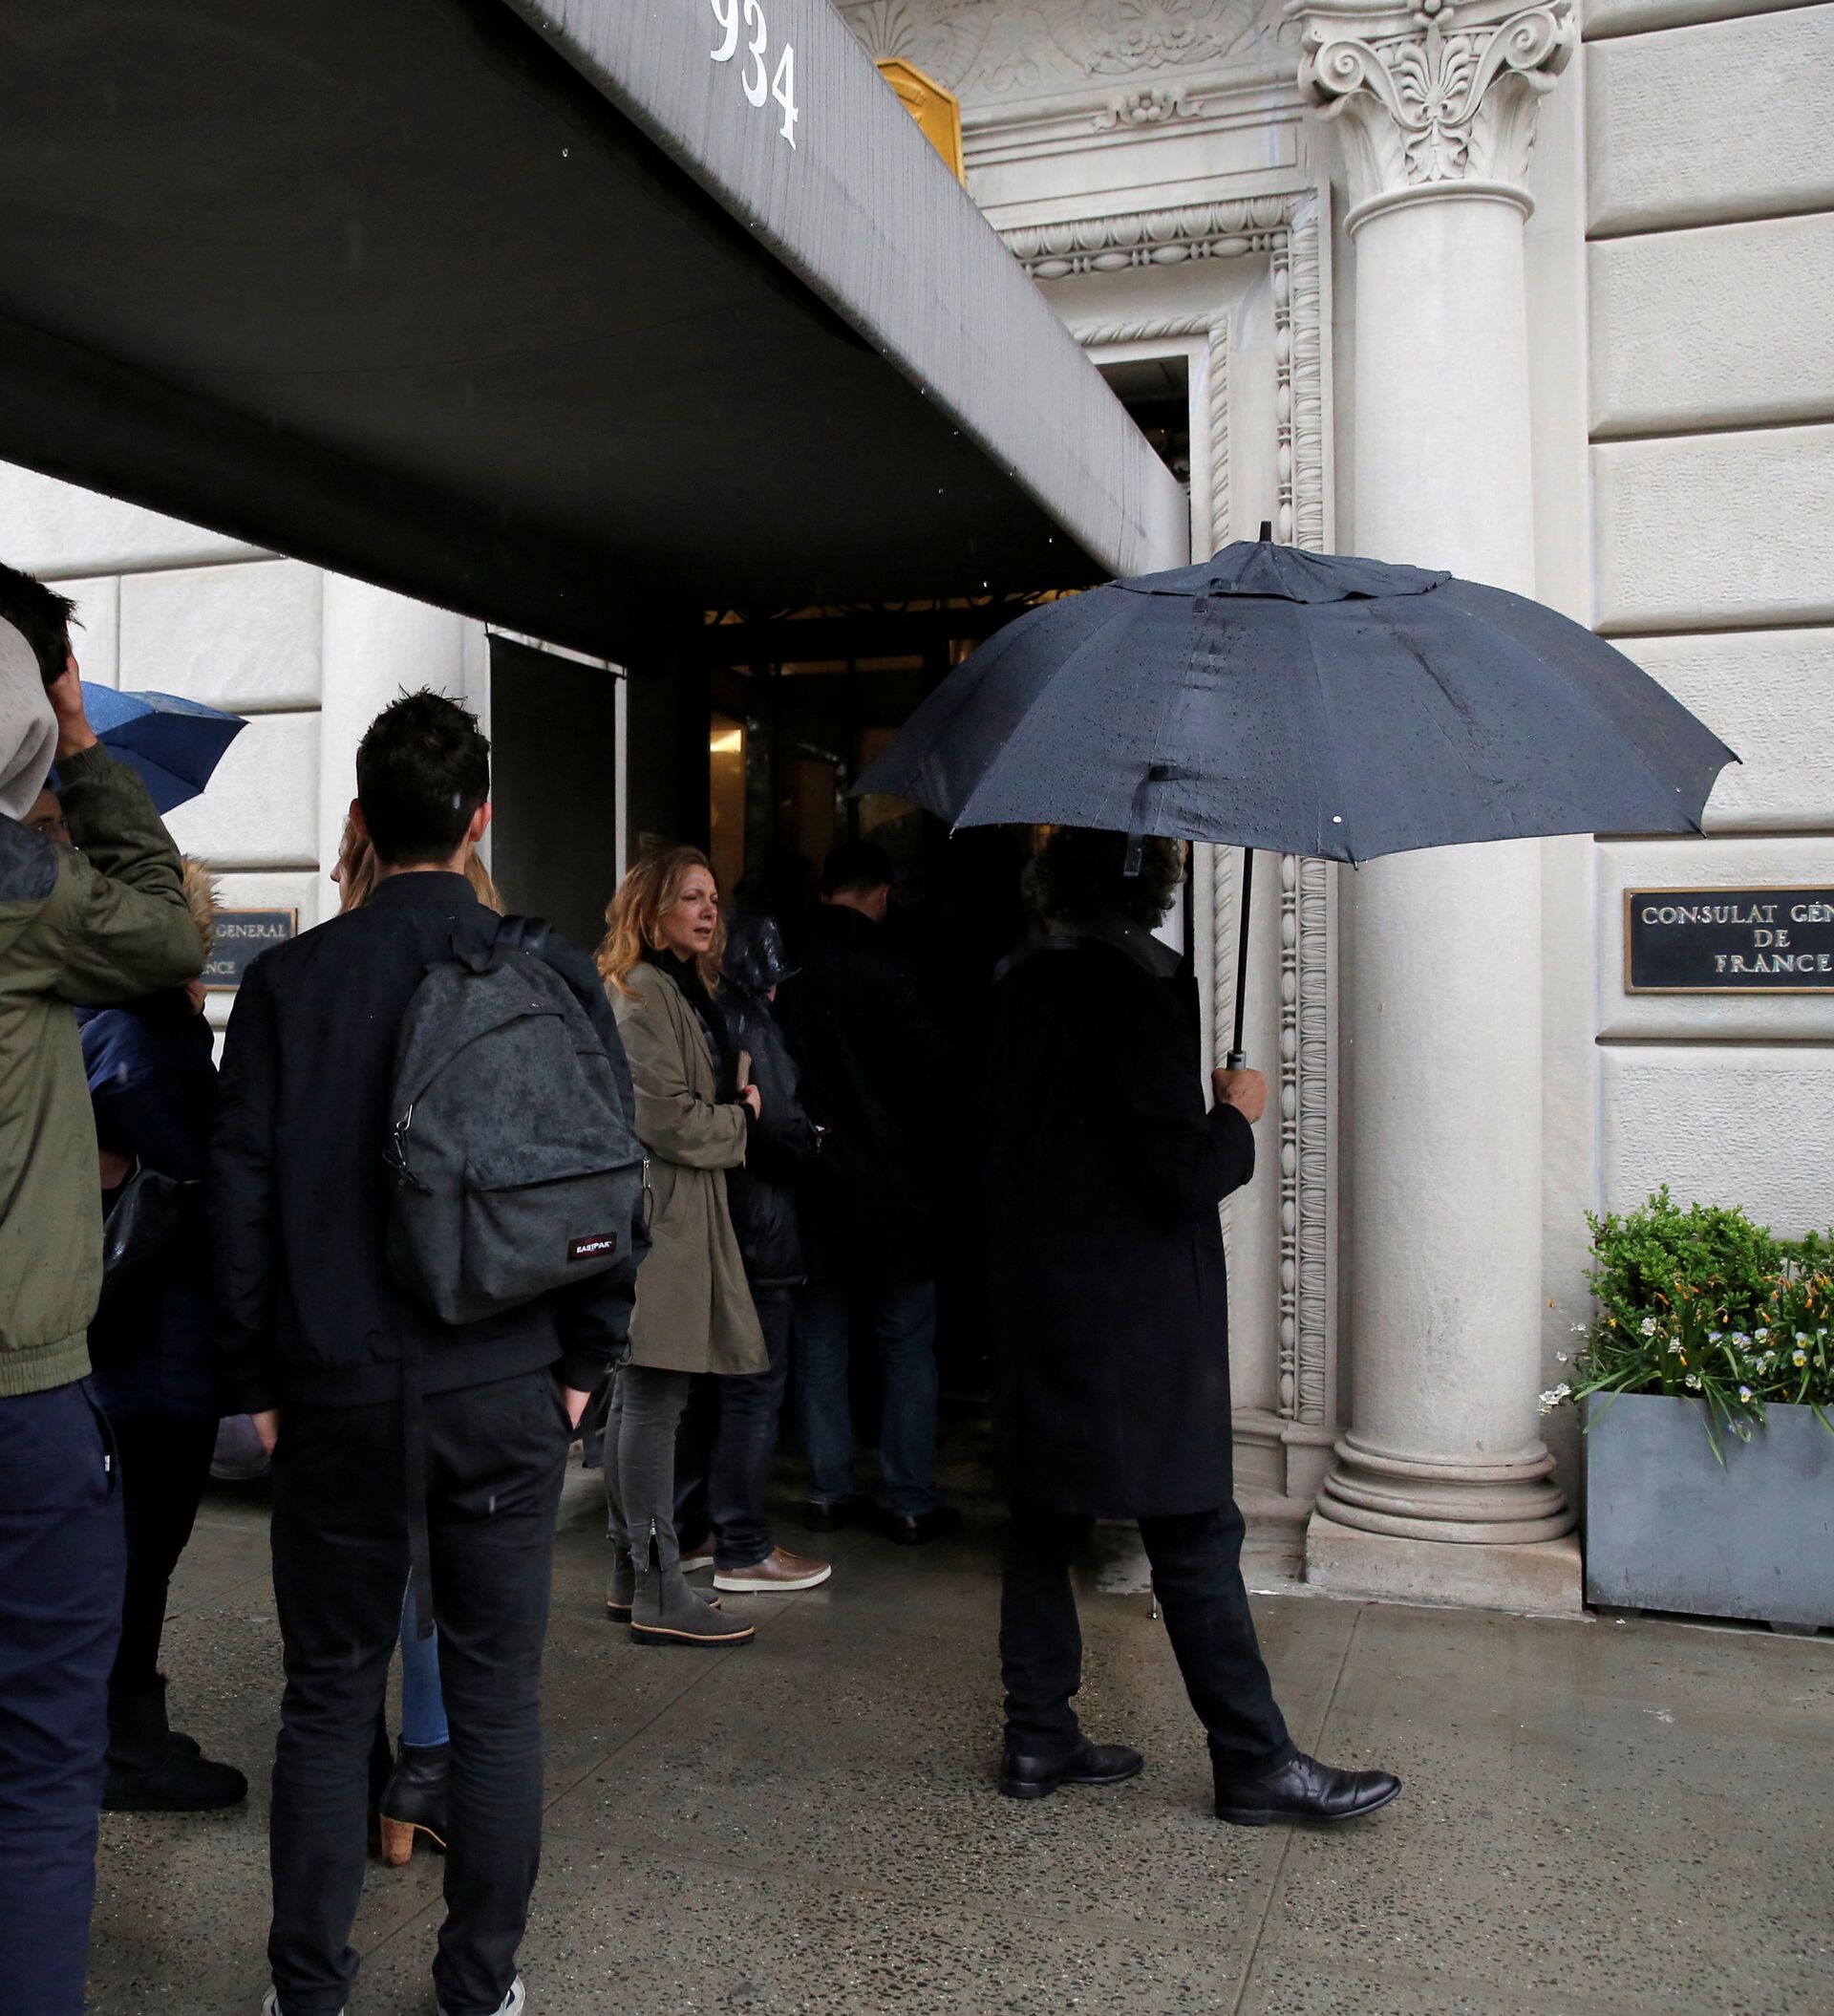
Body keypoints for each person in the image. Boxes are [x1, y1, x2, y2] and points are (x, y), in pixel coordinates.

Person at [213, 691, 643, 2016]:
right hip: (507, 1384)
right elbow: (608, 1180)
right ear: (480, 821)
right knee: (498, 1702)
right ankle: (477, 1984)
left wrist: (256, 1386)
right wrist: (585, 1366)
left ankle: (307, 1990)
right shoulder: (547, 973)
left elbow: (240, 1200)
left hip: (333, 1392)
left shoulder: (290, 984)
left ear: (357, 818)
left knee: (328, 1696)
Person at [982, 828, 1400, 1825]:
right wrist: (1235, 1115)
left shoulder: (1014, 984)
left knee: (1042, 1519)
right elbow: (1178, 1175)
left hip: (1038, 1300)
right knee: (1195, 1527)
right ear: (1153, 885)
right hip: (1134, 1322)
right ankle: (1255, 1761)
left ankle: (1037, 1734)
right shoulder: (1137, 994)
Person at [0, 566, 203, 2016]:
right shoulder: (18, 885)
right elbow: (165, 927)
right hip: (17, 1393)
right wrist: (80, 747)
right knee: (38, 1758)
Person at [328, 815, 506, 1871]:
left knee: (357, 1568)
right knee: (433, 1558)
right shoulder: (485, 973)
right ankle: (427, 1774)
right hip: (455, 1310)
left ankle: (366, 1782)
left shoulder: (323, 976)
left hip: (344, 1319)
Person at [77, 855, 248, 1813]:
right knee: (142, 1546)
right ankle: (125, 1746)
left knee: (131, 1546)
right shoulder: (138, 1034)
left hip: (131, 1335)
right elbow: (201, 1161)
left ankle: (122, 1730)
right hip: (152, 1339)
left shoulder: (98, 1014)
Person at [597, 847, 768, 1647]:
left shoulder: (672, 987)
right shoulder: (641, 994)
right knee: (652, 1398)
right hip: (661, 1216)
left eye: (713, 898)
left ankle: (634, 1576)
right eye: (691, 897)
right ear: (652, 907)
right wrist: (743, 1119)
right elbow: (664, 1119)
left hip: (672, 1213)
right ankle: (658, 1586)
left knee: (644, 1396)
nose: (708, 911)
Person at [774, 841, 957, 1543]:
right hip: (895, 1186)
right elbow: (933, 1079)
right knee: (905, 1344)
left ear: (825, 892)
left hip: (813, 1181)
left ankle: (828, 1489)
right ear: (881, 894)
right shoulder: (898, 968)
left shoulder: (787, 972)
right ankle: (910, 1499)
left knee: (820, 1341)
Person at [672, 910, 831, 1594]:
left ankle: (694, 1531)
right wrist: (813, 1138)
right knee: (752, 1391)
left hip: (718, 1224)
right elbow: (781, 1125)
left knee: (703, 1390)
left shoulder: (700, 1015)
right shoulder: (754, 1026)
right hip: (763, 1230)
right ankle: (741, 1544)